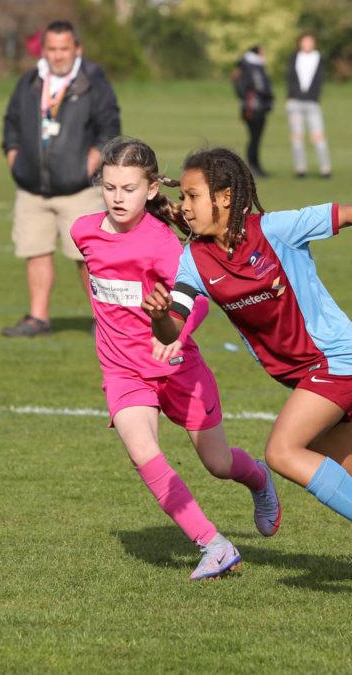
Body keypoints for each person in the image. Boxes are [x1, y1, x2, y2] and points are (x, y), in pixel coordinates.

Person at [143, 147, 352, 593]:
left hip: (339, 360)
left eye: (193, 196)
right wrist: (159, 315)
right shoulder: (194, 259)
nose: (184, 207)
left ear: (224, 197)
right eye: (182, 197)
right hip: (307, 375)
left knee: (281, 452)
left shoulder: (277, 229)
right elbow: (171, 330)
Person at [70, 137, 281, 581]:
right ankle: (214, 545)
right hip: (123, 371)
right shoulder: (83, 232)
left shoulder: (162, 243)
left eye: (128, 189)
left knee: (218, 465)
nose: (117, 198)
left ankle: (259, 479)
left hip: (178, 369)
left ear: (150, 190)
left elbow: (199, 299)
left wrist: (174, 331)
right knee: (143, 451)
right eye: (109, 188)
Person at [1, 20, 121, 337]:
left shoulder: (94, 82)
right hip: (32, 187)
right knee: (35, 250)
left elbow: (109, 128)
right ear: (44, 50)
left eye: (64, 48)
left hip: (78, 190)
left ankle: (104, 320)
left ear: (77, 48)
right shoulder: (29, 81)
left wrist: (88, 166)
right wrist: (14, 158)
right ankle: (38, 318)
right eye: (52, 49)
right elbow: (11, 122)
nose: (58, 55)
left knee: (87, 258)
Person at [285, 32, 331, 179]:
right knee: (297, 137)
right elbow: (290, 79)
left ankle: (325, 168)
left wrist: (316, 97)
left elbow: (319, 80)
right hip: (295, 102)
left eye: (310, 41)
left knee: (318, 136)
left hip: (312, 102)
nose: (307, 44)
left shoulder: (319, 58)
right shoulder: (294, 58)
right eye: (305, 41)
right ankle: (300, 168)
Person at [233, 45, 274, 177]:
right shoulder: (254, 67)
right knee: (255, 139)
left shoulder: (245, 66)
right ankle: (253, 167)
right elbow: (261, 87)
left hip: (248, 107)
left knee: (254, 138)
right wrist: (269, 98)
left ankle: (255, 166)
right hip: (255, 108)